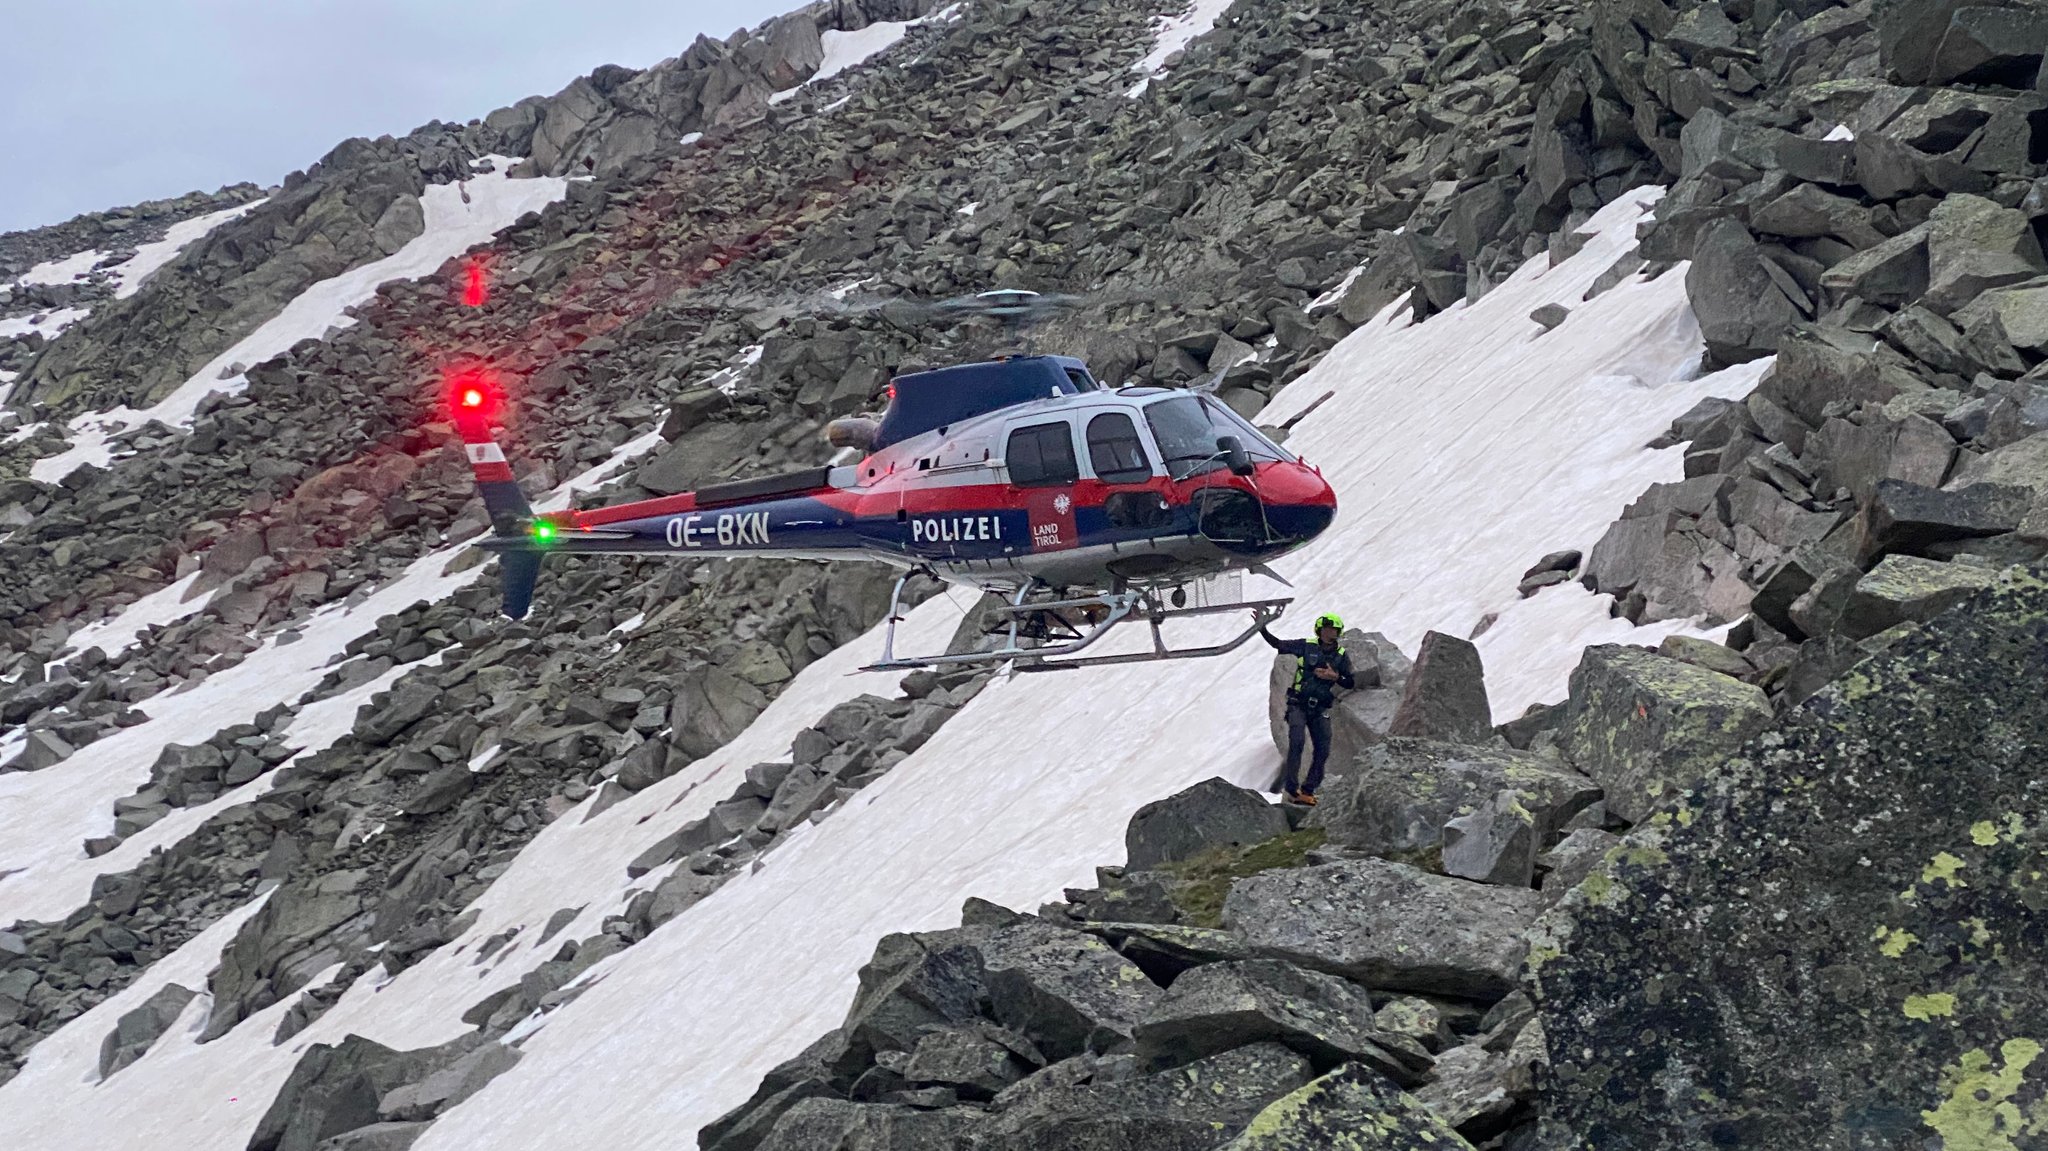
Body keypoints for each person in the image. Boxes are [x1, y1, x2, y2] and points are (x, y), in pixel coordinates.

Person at [1260, 612, 1355, 804]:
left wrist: (1334, 677)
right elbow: (1278, 644)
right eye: (1328, 629)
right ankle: (1292, 788)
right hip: (1298, 705)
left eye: (1335, 629)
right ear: (1320, 630)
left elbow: (1350, 682)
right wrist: (1261, 628)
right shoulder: (1306, 646)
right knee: (1297, 742)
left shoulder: (1341, 656)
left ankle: (1308, 790)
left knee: (1323, 749)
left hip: (1320, 709)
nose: (1331, 633)